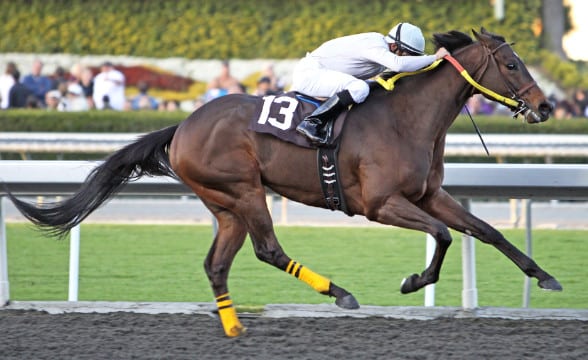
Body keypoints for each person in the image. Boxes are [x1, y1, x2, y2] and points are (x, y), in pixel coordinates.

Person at [290, 22, 449, 144]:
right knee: (359, 88)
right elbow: (399, 64)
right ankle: (311, 122)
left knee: (370, 89)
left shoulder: (382, 56)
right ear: (394, 46)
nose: (410, 59)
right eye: (409, 55)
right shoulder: (375, 44)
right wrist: (434, 58)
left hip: (323, 75)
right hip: (310, 74)